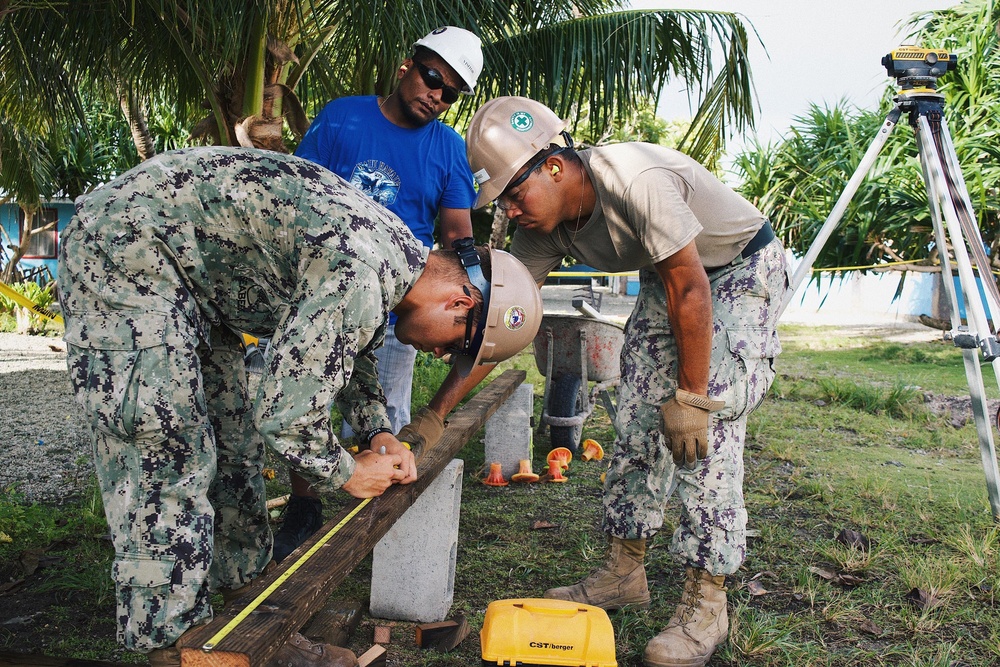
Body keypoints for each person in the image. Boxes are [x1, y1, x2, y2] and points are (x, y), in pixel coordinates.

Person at [57, 146, 541, 666]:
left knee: (234, 446)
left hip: (192, 281)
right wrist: (348, 472)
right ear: (461, 301)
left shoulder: (399, 261)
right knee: (164, 452)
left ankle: (246, 621)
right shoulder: (359, 271)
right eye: (456, 346)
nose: (442, 353)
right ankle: (174, 646)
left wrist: (378, 432)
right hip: (126, 252)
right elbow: (287, 416)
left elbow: (351, 352)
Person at [432, 96, 790, 667]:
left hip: (737, 269)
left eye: (514, 196)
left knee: (704, 435)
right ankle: (624, 570)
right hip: (669, 272)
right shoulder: (545, 227)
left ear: (553, 165)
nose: (512, 212)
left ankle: (708, 598)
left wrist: (692, 396)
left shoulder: (635, 180)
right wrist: (437, 411)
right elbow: (501, 325)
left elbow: (692, 289)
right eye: (500, 203)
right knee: (637, 420)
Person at [281, 25, 483, 561]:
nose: (437, 94)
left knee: (382, 410)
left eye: (451, 91)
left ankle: (366, 527)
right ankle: (304, 504)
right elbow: (299, 193)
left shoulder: (448, 147)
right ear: (407, 66)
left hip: (401, 302)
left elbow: (459, 236)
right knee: (307, 396)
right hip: (320, 289)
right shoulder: (343, 116)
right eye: (432, 76)